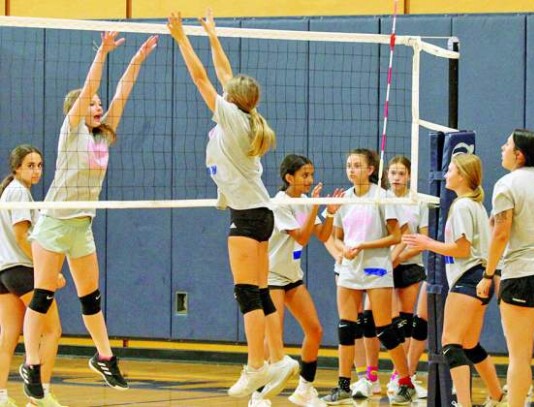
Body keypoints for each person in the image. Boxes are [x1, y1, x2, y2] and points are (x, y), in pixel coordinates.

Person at [20, 32, 158, 401]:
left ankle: (104, 356)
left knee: (90, 299)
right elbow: (90, 86)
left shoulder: (102, 137)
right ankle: (31, 364)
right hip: (54, 223)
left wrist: (137, 59)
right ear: (78, 110)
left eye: (98, 104)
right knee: (42, 297)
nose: (98, 106)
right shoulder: (71, 132)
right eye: (91, 104)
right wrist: (102, 51)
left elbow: (121, 93)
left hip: (82, 226)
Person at [167, 10, 297, 399]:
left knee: (246, 293)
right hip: (261, 214)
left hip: (247, 216)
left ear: (231, 100)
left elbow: (201, 78)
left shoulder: (231, 118)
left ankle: (256, 366)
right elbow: (224, 73)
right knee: (257, 291)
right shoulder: (247, 115)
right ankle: (278, 357)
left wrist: (180, 37)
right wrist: (211, 34)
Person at [404, 153, 505, 407]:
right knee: (469, 345)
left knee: (450, 344)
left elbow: (461, 249)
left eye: (450, 169)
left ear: (461, 176)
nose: (446, 173)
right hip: (480, 279)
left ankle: (465, 404)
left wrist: (428, 243)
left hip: (468, 279)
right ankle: (498, 397)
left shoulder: (462, 206)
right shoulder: (475, 206)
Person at [321, 148, 416, 405]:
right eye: (349, 165)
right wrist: (342, 249)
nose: (352, 170)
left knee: (384, 329)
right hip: (350, 269)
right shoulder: (343, 198)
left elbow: (396, 236)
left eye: (357, 165)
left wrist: (363, 245)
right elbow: (333, 237)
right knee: (345, 327)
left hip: (376, 268)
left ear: (371, 170)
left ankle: (406, 383)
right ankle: (343, 385)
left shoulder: (383, 197)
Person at [249, 154, 343, 406]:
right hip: (271, 277)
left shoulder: (304, 200)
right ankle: (257, 394)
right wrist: (314, 207)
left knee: (315, 330)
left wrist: (330, 213)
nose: (309, 180)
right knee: (273, 336)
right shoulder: (279, 203)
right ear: (289, 177)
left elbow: (322, 236)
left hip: (292, 277)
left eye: (311, 175)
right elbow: (301, 238)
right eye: (304, 175)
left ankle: (304, 389)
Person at [476, 129, 534, 406]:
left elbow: (500, 235)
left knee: (519, 357)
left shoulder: (507, 184)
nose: (502, 148)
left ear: (519, 155)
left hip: (522, 274)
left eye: (507, 145)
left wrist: (488, 274)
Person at [0, 146, 67, 407]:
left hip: (4, 272)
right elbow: (20, 236)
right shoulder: (18, 192)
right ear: (16, 167)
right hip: (22, 271)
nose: (36, 170)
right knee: (52, 331)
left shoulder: (10, 191)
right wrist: (46, 269)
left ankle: (2, 396)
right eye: (30, 165)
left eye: (39, 165)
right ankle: (41, 396)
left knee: (8, 336)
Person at [385, 156, 429, 399]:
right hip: (386, 267)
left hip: (410, 264)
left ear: (409, 175)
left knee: (408, 321)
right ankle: (398, 375)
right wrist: (389, 259)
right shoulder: (381, 199)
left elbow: (422, 240)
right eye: (393, 173)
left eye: (401, 173)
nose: (397, 178)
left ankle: (401, 376)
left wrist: (399, 257)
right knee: (393, 325)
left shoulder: (418, 201)